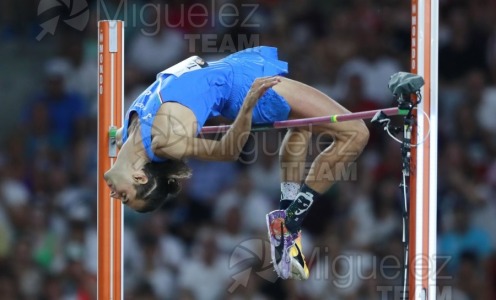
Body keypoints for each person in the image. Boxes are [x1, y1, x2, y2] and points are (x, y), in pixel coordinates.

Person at [103, 46, 369, 280]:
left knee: (302, 126)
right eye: (124, 197)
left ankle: (286, 216)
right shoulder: (166, 141)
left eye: (122, 198)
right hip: (243, 87)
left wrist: (112, 135)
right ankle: (292, 221)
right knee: (356, 132)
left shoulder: (127, 131)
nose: (115, 196)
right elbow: (228, 151)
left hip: (234, 69)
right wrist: (249, 104)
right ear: (140, 177)